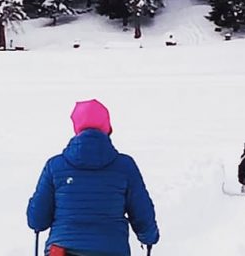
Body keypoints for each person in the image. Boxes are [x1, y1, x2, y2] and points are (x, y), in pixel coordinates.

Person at [27, 99, 160, 256]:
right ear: (107, 127)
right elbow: (142, 213)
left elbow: (37, 220)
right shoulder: (125, 166)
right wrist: (149, 237)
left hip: (62, 251)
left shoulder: (55, 166)